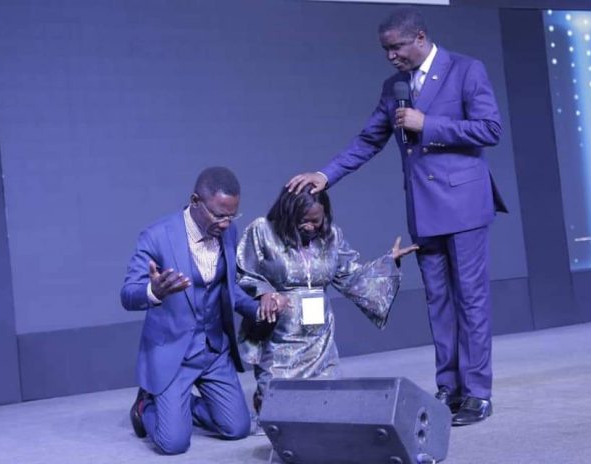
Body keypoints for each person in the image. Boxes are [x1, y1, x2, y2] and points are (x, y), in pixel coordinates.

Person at [287, 7, 507, 426]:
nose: (390, 57)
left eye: (396, 47)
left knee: (471, 300)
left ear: (420, 38)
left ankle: (478, 393)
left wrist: (429, 124)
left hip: (464, 208)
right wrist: (325, 175)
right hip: (424, 211)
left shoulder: (466, 70)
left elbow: (490, 129)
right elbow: (369, 140)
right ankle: (449, 387)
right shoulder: (395, 87)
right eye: (385, 50)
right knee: (438, 302)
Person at [120, 167, 285, 454]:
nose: (226, 223)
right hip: (174, 352)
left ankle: (180, 408)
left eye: (232, 216)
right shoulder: (157, 236)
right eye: (219, 215)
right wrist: (153, 291)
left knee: (237, 429)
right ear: (195, 201)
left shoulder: (227, 233)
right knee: (173, 444)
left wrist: (258, 308)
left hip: (213, 351)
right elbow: (127, 294)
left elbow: (229, 289)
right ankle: (146, 405)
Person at [236, 186, 418, 425]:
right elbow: (245, 272)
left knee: (325, 404)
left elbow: (350, 275)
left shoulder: (331, 236)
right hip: (280, 332)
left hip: (319, 335)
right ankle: (266, 402)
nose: (310, 227)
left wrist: (388, 262)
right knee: (278, 407)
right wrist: (265, 292)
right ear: (288, 213)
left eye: (316, 221)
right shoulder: (263, 231)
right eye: (304, 221)